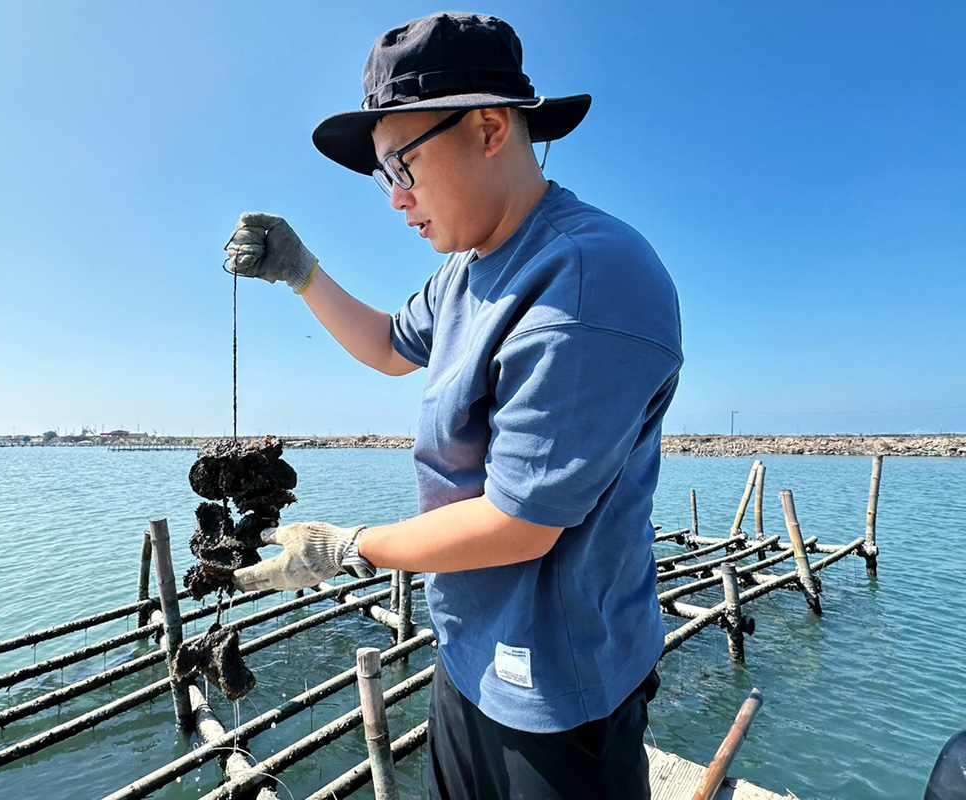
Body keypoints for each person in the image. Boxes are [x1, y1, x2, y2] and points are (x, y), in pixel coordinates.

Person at [225, 12, 682, 800]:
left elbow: (520, 525)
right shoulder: (468, 269)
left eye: (401, 165)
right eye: (382, 178)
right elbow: (388, 346)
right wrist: (301, 272)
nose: (395, 199)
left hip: (560, 688)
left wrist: (346, 548)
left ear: (490, 128)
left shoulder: (586, 279)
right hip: (471, 649)